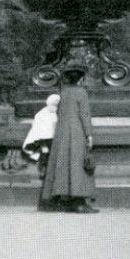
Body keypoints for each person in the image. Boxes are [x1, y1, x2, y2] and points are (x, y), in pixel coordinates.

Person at [39, 66, 97, 213]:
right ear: (80, 78)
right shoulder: (81, 92)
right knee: (78, 166)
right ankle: (78, 202)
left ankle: (59, 200)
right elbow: (84, 114)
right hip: (77, 131)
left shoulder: (62, 92)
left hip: (61, 131)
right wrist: (89, 134)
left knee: (61, 165)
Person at [22, 94, 61, 178]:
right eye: (54, 105)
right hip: (42, 139)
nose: (55, 108)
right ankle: (43, 170)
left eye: (57, 105)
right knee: (45, 151)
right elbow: (38, 130)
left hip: (53, 139)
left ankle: (53, 171)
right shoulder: (41, 114)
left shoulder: (57, 113)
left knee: (54, 151)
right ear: (49, 104)